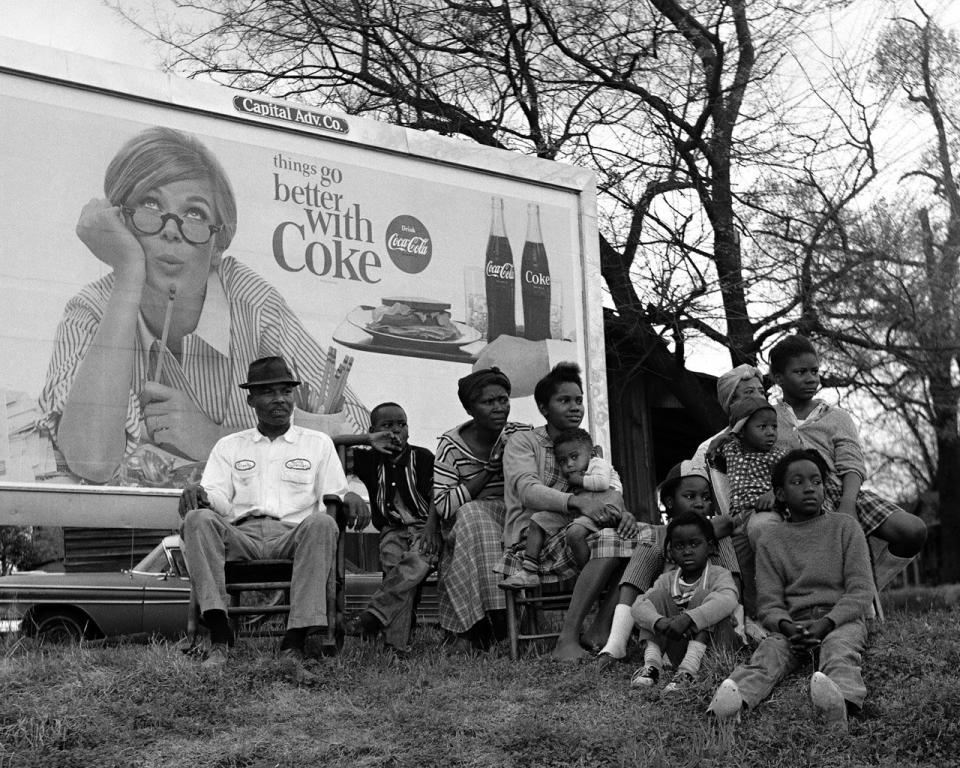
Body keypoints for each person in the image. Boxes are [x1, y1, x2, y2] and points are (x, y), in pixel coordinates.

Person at [39, 126, 367, 484]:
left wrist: (215, 438)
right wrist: (129, 272)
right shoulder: (90, 309)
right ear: (121, 222)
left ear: (218, 244)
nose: (171, 230)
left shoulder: (252, 305)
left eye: (194, 214)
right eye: (150, 205)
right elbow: (92, 461)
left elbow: (356, 427)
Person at [178, 356, 369, 672]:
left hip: (293, 536)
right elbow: (219, 500)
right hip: (242, 536)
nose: (280, 399)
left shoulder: (317, 443)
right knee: (197, 519)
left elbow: (331, 494)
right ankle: (219, 629)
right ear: (251, 399)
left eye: (286, 391)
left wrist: (351, 495)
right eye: (268, 392)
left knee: (323, 522)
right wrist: (201, 493)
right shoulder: (230, 446)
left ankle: (295, 639)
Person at [709, 449, 875, 731]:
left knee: (838, 650)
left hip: (838, 620)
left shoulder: (845, 527)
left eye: (816, 481)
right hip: (793, 627)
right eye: (798, 482)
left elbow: (860, 591)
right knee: (766, 657)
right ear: (780, 494)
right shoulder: (772, 539)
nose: (810, 488)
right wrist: (787, 627)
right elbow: (769, 605)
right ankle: (729, 706)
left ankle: (839, 707)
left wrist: (826, 623)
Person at [754, 334, 926, 589]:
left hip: (842, 490)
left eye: (815, 371)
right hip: (795, 497)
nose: (811, 378)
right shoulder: (768, 418)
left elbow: (852, 464)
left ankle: (867, 588)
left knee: (913, 530)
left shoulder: (837, 417)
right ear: (779, 378)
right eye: (801, 372)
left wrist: (848, 504)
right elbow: (742, 444)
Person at [500, 362, 641, 661]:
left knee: (641, 542)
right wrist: (577, 502)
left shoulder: (586, 445)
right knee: (610, 540)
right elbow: (527, 489)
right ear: (543, 407)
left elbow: (607, 485)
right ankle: (567, 639)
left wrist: (621, 511)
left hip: (581, 529)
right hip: (535, 539)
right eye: (564, 400)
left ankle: (599, 629)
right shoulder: (523, 442)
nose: (575, 407)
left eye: (579, 400)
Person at [596, 461, 740, 668]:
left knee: (719, 541)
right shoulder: (655, 534)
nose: (700, 503)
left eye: (706, 498)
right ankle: (617, 641)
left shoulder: (716, 532)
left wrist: (703, 533)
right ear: (670, 503)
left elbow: (728, 523)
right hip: (666, 619)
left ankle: (738, 621)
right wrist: (667, 545)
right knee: (647, 546)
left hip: (710, 616)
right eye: (690, 497)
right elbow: (646, 601)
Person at [433, 367, 531, 651]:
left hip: (516, 520)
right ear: (469, 408)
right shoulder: (451, 446)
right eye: (489, 402)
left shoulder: (521, 435)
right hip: (463, 526)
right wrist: (488, 471)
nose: (500, 407)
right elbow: (443, 505)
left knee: (477, 520)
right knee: (473, 516)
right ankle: (497, 625)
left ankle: (476, 629)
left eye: (503, 399)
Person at [346, 402, 436, 652]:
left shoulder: (423, 456)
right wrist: (366, 440)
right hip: (392, 530)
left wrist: (431, 530)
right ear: (373, 430)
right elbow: (327, 448)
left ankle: (375, 619)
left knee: (415, 562)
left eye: (401, 424)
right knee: (396, 565)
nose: (396, 430)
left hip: (425, 527)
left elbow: (436, 497)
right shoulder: (367, 459)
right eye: (387, 426)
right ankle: (395, 644)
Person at [629, 511, 740, 695]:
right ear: (671, 552)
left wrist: (690, 618)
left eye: (695, 544)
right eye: (679, 546)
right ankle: (652, 666)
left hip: (716, 647)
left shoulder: (720, 574)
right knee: (653, 599)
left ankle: (688, 672)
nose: (687, 551)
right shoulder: (666, 579)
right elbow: (638, 606)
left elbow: (728, 599)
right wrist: (658, 621)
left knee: (705, 598)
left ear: (710, 546)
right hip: (679, 649)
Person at [502, 427, 625, 587]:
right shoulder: (575, 473)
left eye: (574, 457)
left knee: (575, 533)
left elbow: (602, 483)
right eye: (562, 461)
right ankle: (529, 571)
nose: (569, 464)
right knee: (537, 520)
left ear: (593, 453)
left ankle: (590, 582)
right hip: (581, 507)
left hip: (604, 504)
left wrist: (578, 481)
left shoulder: (597, 463)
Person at [709, 396, 787, 616]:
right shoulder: (731, 449)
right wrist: (724, 437)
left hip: (764, 513)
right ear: (742, 431)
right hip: (737, 519)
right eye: (762, 427)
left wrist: (772, 493)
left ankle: (779, 609)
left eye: (774, 426)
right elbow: (717, 447)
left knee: (765, 565)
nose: (770, 432)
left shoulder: (778, 456)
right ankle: (755, 617)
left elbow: (789, 479)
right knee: (744, 569)